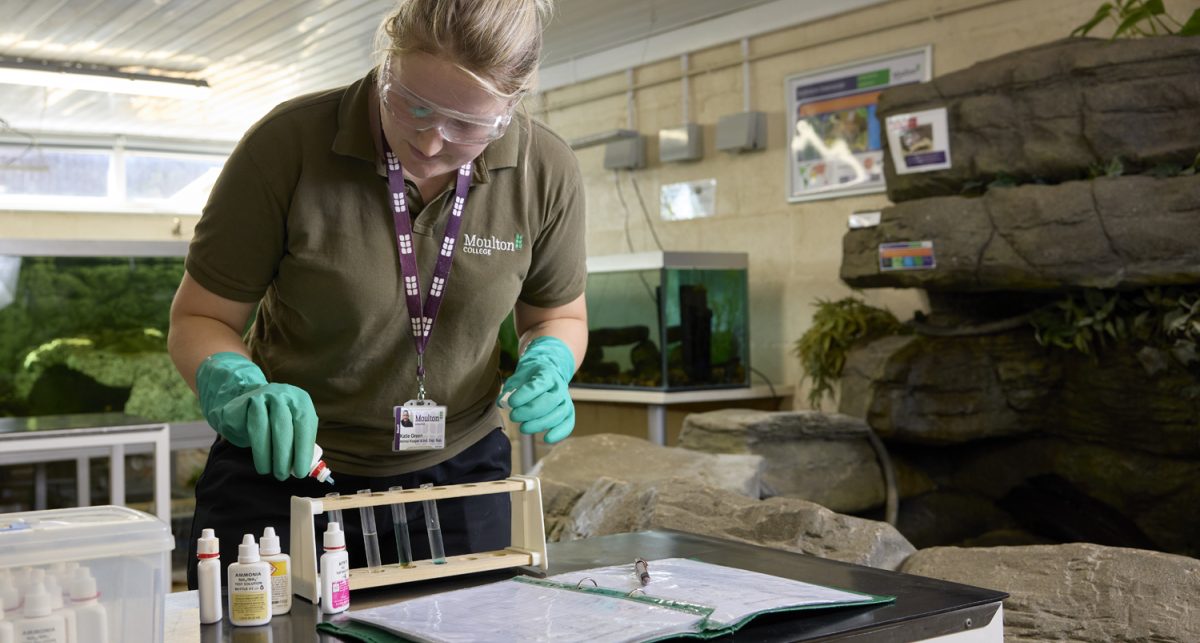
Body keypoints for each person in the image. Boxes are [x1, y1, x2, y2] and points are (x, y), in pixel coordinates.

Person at [171, 0, 586, 589]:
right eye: (412, 106)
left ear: (510, 108)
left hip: (459, 474)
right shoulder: (286, 145)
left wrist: (552, 360)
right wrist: (238, 386)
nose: (432, 143)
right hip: (289, 468)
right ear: (386, 63)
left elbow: (559, 314)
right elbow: (199, 316)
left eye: (466, 126)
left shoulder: (547, 169)